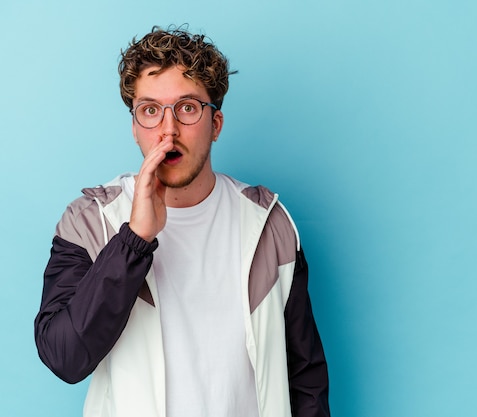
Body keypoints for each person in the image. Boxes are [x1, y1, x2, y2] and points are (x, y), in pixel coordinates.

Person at [34, 25, 330, 417]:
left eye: (187, 108)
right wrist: (134, 240)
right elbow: (64, 357)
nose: (168, 130)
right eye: (150, 110)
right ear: (135, 128)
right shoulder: (91, 221)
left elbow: (305, 378)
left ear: (216, 125)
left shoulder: (269, 224)